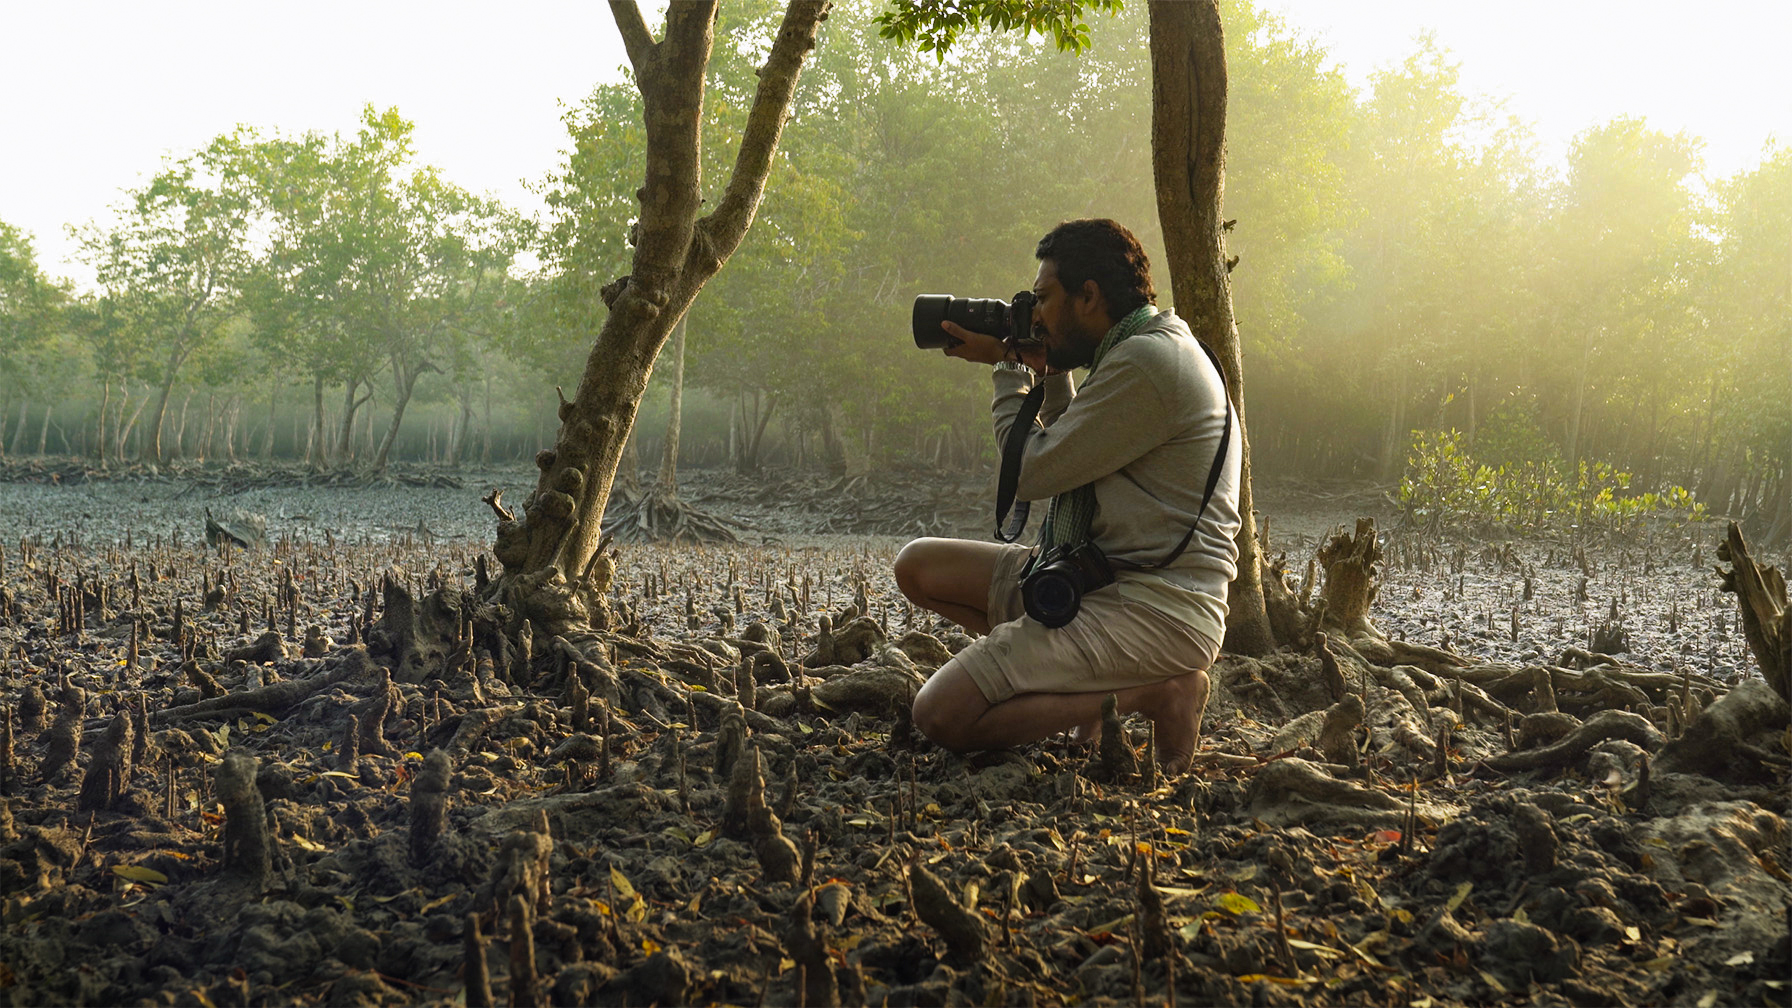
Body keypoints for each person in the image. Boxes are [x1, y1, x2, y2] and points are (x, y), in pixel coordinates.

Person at [893, 218, 1241, 774]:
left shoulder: (1149, 364)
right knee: (918, 567)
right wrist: (1049, 371)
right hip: (1101, 578)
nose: (1035, 316)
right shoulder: (1141, 348)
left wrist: (1008, 369)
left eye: (1044, 299)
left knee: (941, 714)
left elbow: (1030, 470)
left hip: (1160, 608)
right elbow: (1076, 448)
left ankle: (1157, 693)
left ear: (1089, 296)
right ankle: (1060, 669)